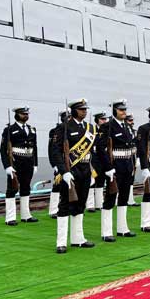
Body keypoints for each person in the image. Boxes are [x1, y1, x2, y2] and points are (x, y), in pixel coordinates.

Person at [50, 98, 97, 253]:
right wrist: (64, 172)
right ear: (74, 110)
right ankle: (61, 242)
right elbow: (56, 151)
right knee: (65, 206)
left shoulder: (90, 128)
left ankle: (78, 239)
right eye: (81, 109)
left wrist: (92, 171)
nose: (85, 111)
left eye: (85, 109)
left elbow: (91, 152)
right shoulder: (63, 128)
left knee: (80, 204)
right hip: (71, 170)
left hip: (85, 169)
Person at [96, 99, 137, 241]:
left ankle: (122, 228)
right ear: (114, 111)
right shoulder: (107, 127)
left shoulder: (127, 126)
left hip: (127, 165)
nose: (123, 112)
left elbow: (131, 146)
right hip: (114, 167)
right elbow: (101, 149)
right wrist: (108, 167)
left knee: (124, 197)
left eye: (124, 110)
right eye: (121, 110)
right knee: (110, 198)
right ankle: (106, 232)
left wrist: (133, 163)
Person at [0, 106, 38, 226]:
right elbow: (3, 149)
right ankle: (10, 217)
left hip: (28, 162)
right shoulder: (9, 130)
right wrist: (7, 166)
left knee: (26, 188)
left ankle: (26, 215)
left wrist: (35, 164)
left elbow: (34, 148)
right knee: (12, 189)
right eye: (22, 114)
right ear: (16, 114)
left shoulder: (32, 129)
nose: (25, 116)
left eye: (27, 114)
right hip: (15, 162)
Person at [48, 109, 68, 219]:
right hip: (59, 162)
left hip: (71, 162)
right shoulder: (55, 131)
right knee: (57, 186)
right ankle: (53, 210)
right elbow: (51, 149)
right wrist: (54, 164)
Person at [89, 110, 109, 215]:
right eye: (102, 119)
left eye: (105, 119)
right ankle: (90, 204)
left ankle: (99, 203)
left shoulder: (107, 130)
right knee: (92, 181)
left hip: (103, 158)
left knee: (101, 180)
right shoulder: (91, 129)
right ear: (97, 120)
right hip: (93, 157)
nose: (104, 121)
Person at [125, 113, 140, 207]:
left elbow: (138, 145)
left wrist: (138, 157)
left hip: (133, 157)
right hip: (125, 157)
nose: (132, 122)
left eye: (132, 120)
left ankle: (130, 199)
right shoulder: (125, 131)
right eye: (130, 120)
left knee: (131, 179)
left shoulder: (135, 132)